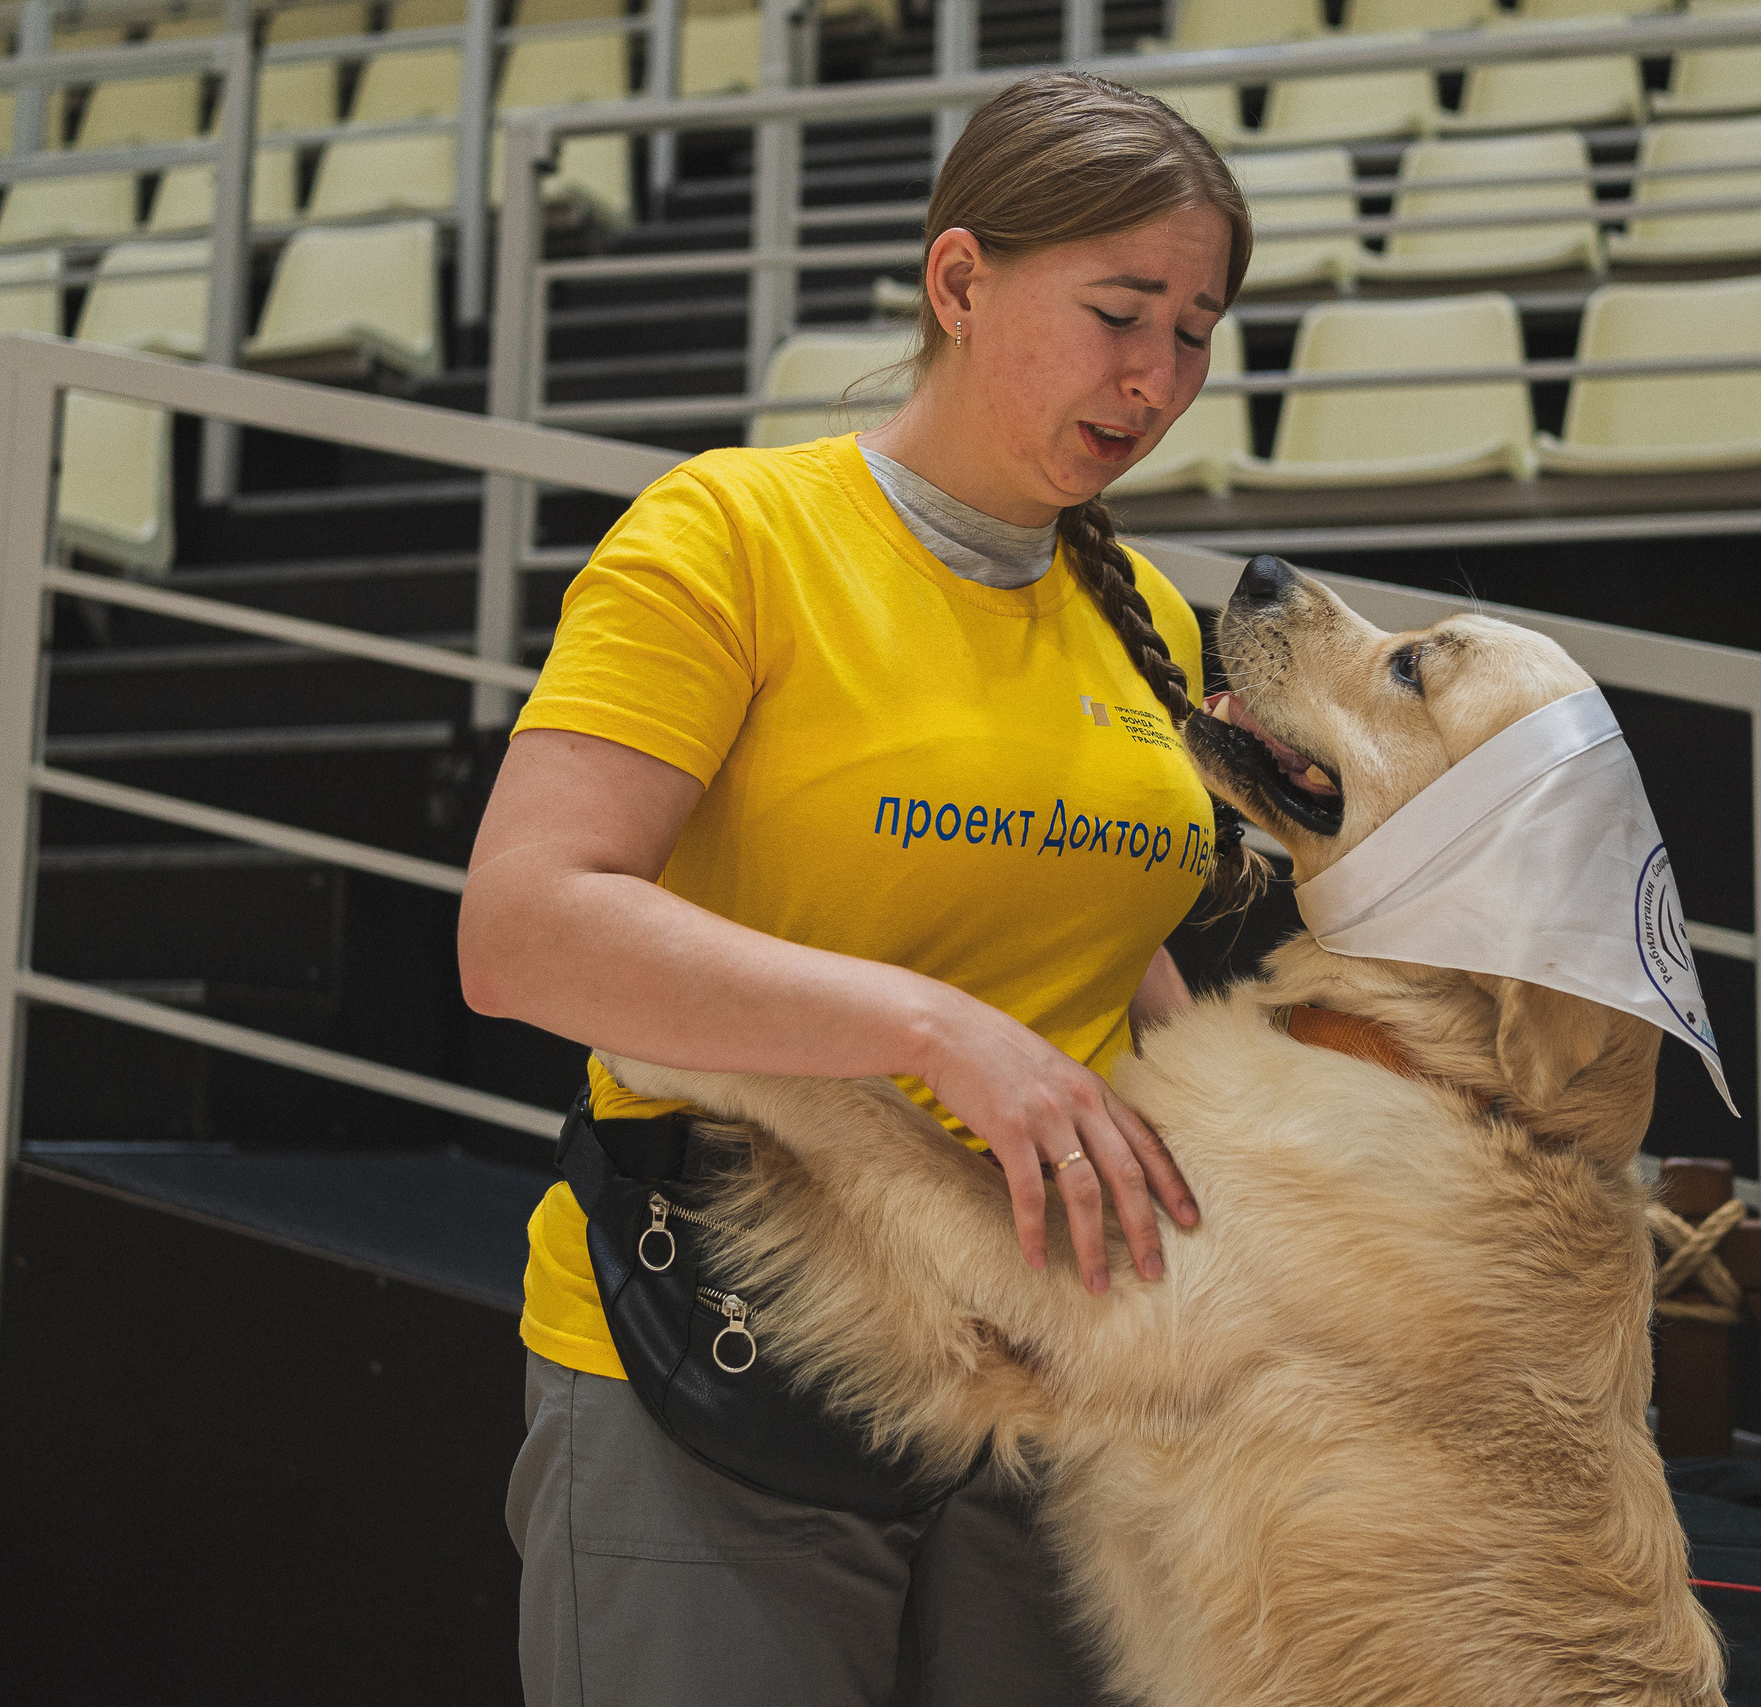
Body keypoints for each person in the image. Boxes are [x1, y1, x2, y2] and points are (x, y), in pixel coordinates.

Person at [457, 70, 1255, 1707]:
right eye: (1119, 314)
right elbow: (524, 927)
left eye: (1193, 330)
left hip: (1055, 1380)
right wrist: (929, 1030)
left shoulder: (1151, 622)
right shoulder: (732, 533)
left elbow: (1115, 969)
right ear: (958, 282)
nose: (1155, 377)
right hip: (731, 1339)